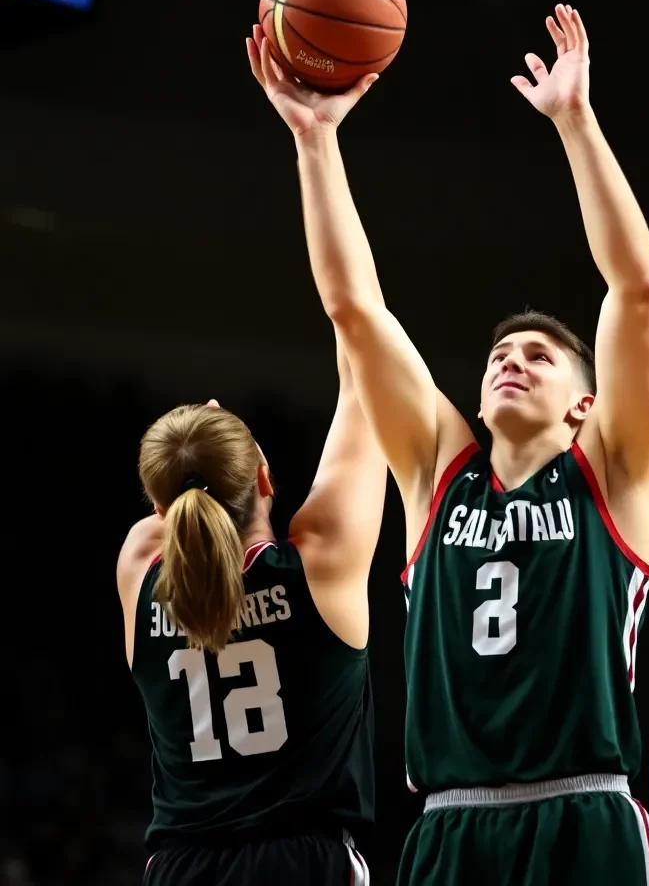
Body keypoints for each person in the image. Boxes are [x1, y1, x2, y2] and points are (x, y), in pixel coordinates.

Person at [248, 3, 649, 885]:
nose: (511, 362)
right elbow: (355, 309)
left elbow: (635, 290)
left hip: (584, 810)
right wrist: (315, 142)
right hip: (449, 823)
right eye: (498, 356)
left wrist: (576, 122)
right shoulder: (438, 473)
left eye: (539, 357)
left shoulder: (616, 473)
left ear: (584, 406)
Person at [117, 47, 388, 883]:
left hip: (180, 867)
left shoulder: (139, 567)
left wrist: (202, 445)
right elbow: (365, 338)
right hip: (300, 862)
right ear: (264, 476)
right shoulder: (323, 562)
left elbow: (182, 516)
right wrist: (316, 139)